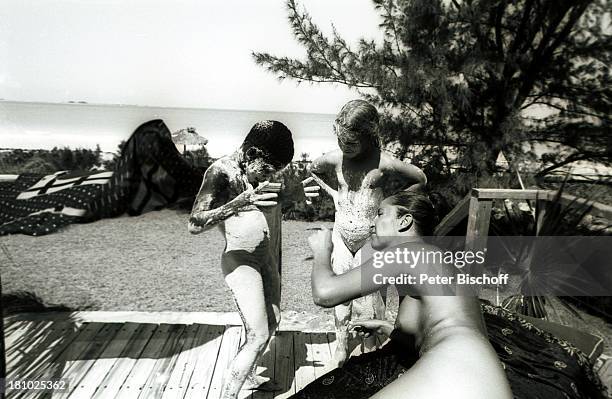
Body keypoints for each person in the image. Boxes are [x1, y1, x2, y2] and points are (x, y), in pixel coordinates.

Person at [293, 191, 607, 399]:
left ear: (404, 221)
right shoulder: (434, 262)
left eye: (380, 213)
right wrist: (388, 328)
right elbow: (433, 327)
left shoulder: (406, 254)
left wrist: (323, 251)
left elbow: (325, 293)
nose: (373, 221)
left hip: (455, 369)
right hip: (480, 374)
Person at [188, 120, 317, 399]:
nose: (268, 176)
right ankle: (228, 395)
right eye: (267, 169)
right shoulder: (221, 172)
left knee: (273, 322)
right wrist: (241, 201)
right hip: (240, 260)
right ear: (251, 155)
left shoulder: (260, 173)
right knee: (258, 335)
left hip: (265, 259)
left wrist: (293, 194)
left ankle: (246, 375)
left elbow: (271, 204)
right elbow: (195, 223)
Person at [306, 99, 426, 366]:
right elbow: (312, 168)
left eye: (351, 143)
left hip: (370, 238)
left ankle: (370, 352)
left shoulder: (383, 162)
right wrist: (329, 193)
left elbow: (420, 178)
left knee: (369, 300)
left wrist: (392, 205)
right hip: (341, 234)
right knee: (341, 301)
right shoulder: (335, 159)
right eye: (341, 140)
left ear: (367, 136)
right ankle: (341, 345)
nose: (344, 148)